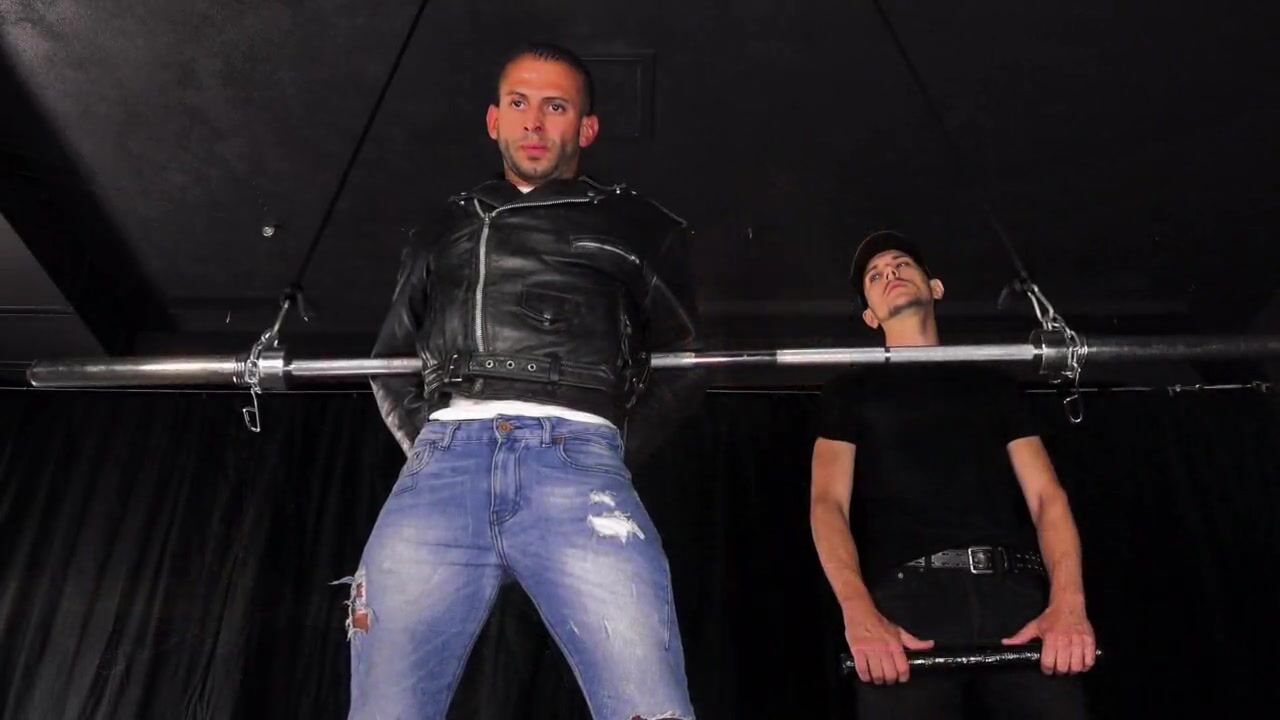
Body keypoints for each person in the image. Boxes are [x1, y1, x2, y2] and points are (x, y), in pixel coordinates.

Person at [346, 42, 702, 720]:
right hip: (444, 465)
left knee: (648, 704)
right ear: (494, 120)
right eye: (519, 103)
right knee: (386, 707)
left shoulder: (639, 224)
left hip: (578, 463)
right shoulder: (442, 226)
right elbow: (389, 359)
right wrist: (432, 448)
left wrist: (605, 451)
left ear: (586, 128)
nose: (534, 122)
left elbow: (684, 364)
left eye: (555, 107)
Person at [809, 230, 1096, 718]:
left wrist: (1068, 604)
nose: (890, 273)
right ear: (870, 316)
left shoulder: (993, 385)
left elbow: (1048, 498)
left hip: (1015, 597)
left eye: (901, 264)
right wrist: (858, 613)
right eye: (875, 276)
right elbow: (827, 505)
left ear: (935, 287)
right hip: (909, 603)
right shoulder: (849, 392)